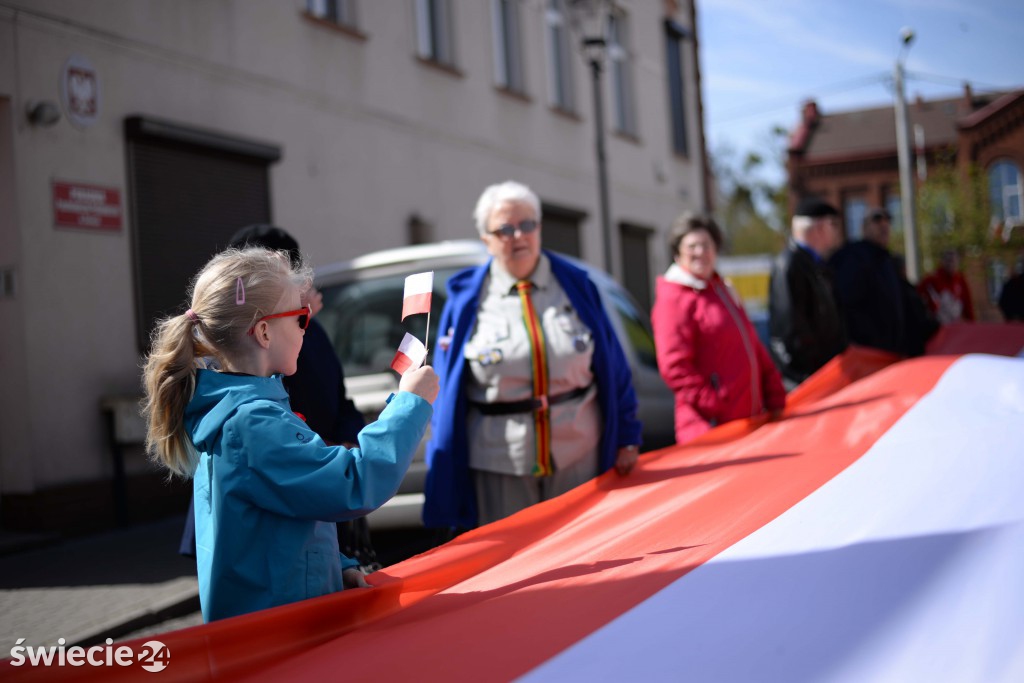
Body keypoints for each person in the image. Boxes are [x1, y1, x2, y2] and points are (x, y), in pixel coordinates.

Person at [143, 247, 438, 621]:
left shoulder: (243, 412)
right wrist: (411, 403)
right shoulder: (251, 423)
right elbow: (353, 482)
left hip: (274, 618)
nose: (307, 326)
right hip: (278, 630)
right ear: (264, 332)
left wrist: (336, 566)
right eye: (301, 316)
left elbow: (281, 519)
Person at [423, 180, 643, 530]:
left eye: (528, 225)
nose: (519, 236)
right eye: (505, 229)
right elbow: (448, 391)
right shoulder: (466, 300)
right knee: (515, 569)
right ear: (487, 240)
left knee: (588, 558)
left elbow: (614, 368)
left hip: (579, 455)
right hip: (499, 463)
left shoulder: (578, 286)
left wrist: (628, 435)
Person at [651, 213, 785, 445]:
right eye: (692, 246)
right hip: (711, 430)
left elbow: (751, 343)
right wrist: (716, 404)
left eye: (707, 245)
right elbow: (675, 366)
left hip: (748, 420)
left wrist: (774, 392)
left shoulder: (721, 289)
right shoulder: (674, 298)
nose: (701, 252)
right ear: (677, 252)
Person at [768, 197, 847, 390]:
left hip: (824, 375)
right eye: (833, 225)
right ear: (819, 228)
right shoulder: (790, 265)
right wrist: (803, 379)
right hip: (808, 381)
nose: (837, 231)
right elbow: (788, 332)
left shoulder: (814, 265)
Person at [828, 208, 906, 354]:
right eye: (877, 220)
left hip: (890, 351)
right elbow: (845, 303)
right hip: (866, 353)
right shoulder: (854, 257)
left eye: (887, 221)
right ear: (864, 227)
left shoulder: (886, 260)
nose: (884, 225)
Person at [918, 248, 975, 323]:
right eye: (948, 261)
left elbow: (968, 305)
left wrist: (972, 324)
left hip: (954, 325)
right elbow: (918, 296)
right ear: (942, 261)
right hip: (937, 324)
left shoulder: (961, 280)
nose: (950, 264)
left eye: (953, 261)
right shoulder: (931, 280)